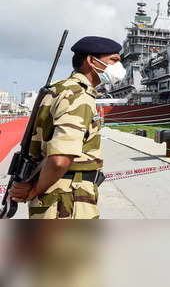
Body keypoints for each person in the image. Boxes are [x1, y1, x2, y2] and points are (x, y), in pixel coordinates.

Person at [8, 36, 124, 219]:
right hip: (68, 200)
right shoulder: (79, 96)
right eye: (114, 60)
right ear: (91, 61)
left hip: (54, 197)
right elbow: (60, 159)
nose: (119, 67)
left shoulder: (56, 90)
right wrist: (33, 190)